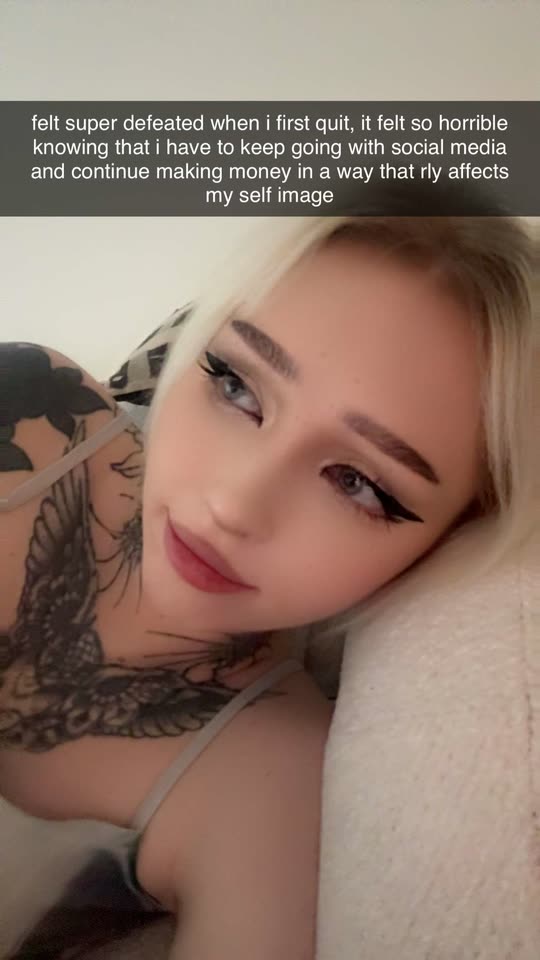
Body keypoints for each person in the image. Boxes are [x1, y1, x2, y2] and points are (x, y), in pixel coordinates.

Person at [0, 192, 538, 959]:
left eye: (357, 483)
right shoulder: (33, 414)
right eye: (236, 385)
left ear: (447, 541)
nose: (234, 504)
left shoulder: (273, 792)